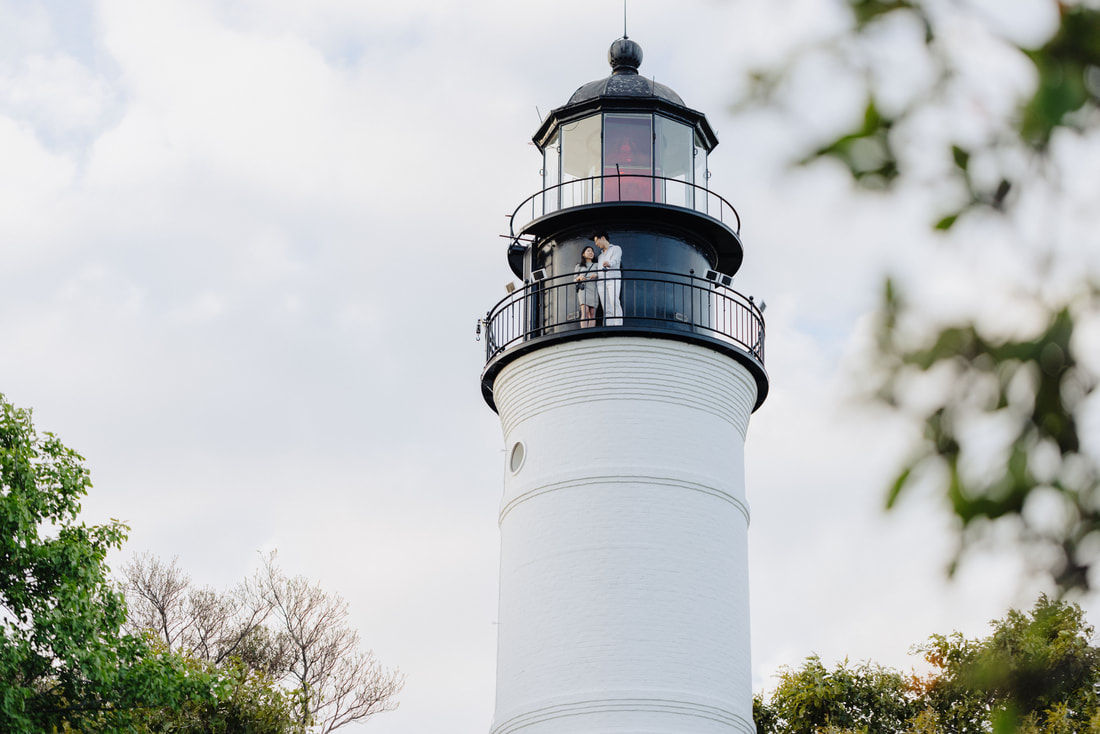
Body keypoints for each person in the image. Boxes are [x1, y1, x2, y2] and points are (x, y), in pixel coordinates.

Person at [593, 231, 622, 326]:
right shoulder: (600, 256)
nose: (596, 244)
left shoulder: (616, 248)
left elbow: (616, 260)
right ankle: (609, 326)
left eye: (596, 241)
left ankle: (618, 325)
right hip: (601, 282)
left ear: (603, 238)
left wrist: (610, 264)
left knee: (614, 301)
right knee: (606, 307)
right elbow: (599, 270)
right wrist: (596, 275)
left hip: (613, 279)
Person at [574, 246, 600, 328]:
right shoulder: (579, 266)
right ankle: (584, 330)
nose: (591, 252)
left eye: (592, 251)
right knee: (585, 311)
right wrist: (580, 277)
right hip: (584, 289)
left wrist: (596, 275)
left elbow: (602, 274)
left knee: (592, 313)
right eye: (588, 251)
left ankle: (591, 330)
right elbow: (574, 279)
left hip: (594, 288)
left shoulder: (596, 265)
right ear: (583, 254)